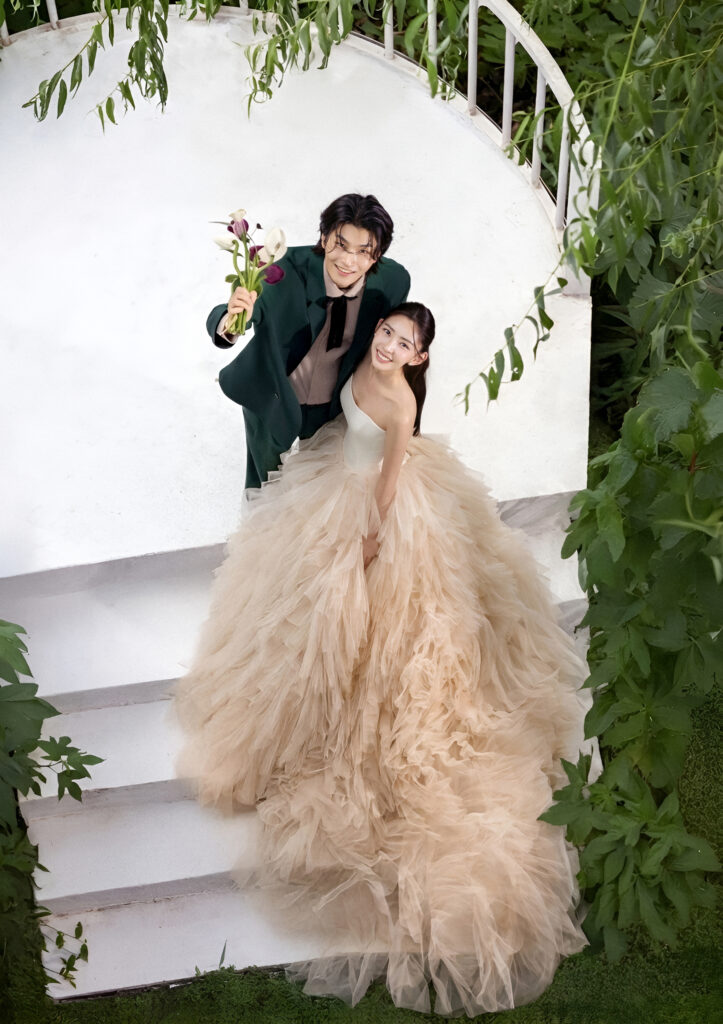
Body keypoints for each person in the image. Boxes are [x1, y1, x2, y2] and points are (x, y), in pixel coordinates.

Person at [175, 302, 588, 1017]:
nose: (392, 346)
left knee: (383, 632)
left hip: (380, 506)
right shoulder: (360, 362)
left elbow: (391, 477)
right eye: (389, 334)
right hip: (334, 478)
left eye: (406, 343)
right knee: (289, 605)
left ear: (421, 358)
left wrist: (371, 535)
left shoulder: (400, 403)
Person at [208, 193, 410, 488]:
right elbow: (240, 312)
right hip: (273, 393)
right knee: (264, 486)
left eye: (363, 252)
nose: (348, 261)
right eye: (341, 245)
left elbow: (392, 341)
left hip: (332, 404)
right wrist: (232, 320)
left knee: (320, 486)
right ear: (324, 237)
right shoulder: (278, 269)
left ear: (377, 254)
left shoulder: (394, 282)